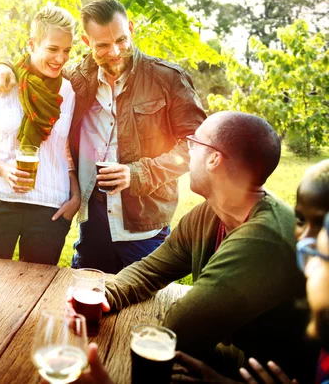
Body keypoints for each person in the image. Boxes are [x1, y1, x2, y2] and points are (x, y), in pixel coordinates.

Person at [0, 0, 206, 273]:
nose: (115, 52)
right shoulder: (76, 80)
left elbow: (198, 146)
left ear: (131, 27)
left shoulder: (168, 79)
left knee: (143, 311)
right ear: (86, 42)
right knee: (87, 305)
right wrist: (4, 66)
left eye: (121, 40)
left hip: (144, 228)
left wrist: (138, 173)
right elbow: (37, 68)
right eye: (102, 45)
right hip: (92, 226)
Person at [99, 111, 316, 381]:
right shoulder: (211, 213)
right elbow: (151, 269)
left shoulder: (263, 239)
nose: (188, 152)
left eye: (193, 143)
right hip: (230, 355)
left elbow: (180, 331)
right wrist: (106, 296)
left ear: (214, 158)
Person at [0, 5, 80, 265]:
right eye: (52, 49)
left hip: (50, 209)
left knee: (36, 288)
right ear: (32, 44)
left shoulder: (71, 93)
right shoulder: (1, 84)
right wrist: (3, 170)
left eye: (67, 51)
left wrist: (75, 198)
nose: (60, 59)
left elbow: (68, 153)